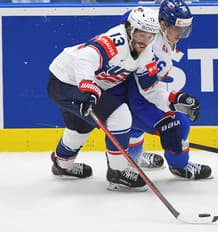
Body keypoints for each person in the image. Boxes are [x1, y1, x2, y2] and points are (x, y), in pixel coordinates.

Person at [47, 6, 160, 190]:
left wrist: (168, 105)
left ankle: (62, 164)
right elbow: (85, 58)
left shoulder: (147, 52)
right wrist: (88, 89)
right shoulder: (116, 40)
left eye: (150, 36)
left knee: (80, 127)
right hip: (66, 81)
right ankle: (117, 172)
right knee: (119, 115)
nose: (144, 41)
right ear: (130, 28)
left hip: (69, 84)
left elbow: (149, 88)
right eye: (141, 34)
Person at [111, 0, 212, 180]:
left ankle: (133, 159)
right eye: (176, 29)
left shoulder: (148, 27)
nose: (180, 34)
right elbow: (145, 94)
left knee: (134, 123)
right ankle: (180, 166)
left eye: (184, 30)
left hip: (120, 90)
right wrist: (170, 106)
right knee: (179, 124)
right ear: (163, 25)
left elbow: (126, 16)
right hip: (135, 97)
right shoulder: (157, 52)